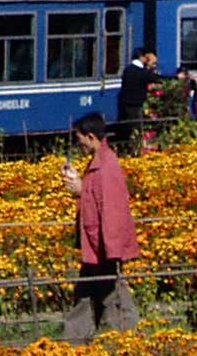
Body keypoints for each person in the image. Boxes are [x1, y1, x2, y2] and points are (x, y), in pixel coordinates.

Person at [60, 113, 140, 343]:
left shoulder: (106, 166)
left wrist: (80, 189)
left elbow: (111, 209)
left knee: (112, 294)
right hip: (96, 245)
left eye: (80, 140)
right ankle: (75, 341)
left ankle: (127, 338)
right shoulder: (99, 163)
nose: (80, 145)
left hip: (103, 246)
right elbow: (93, 194)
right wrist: (80, 186)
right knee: (89, 293)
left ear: (91, 137)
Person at [115, 48, 178, 151]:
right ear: (142, 57)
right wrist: (175, 77)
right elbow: (156, 78)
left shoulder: (127, 70)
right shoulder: (142, 72)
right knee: (136, 129)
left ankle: (124, 148)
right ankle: (135, 149)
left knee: (126, 129)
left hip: (124, 104)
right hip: (136, 105)